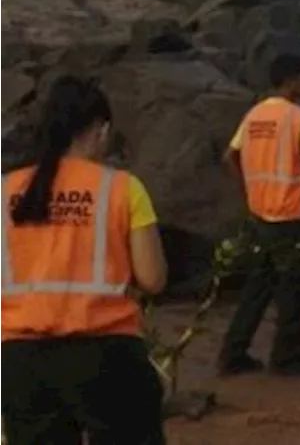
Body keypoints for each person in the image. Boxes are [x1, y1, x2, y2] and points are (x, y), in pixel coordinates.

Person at [0, 75, 169, 444]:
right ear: (101, 129)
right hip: (106, 353)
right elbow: (153, 278)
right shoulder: (123, 188)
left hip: (20, 358)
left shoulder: (5, 190)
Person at [218, 52, 300, 378]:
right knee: (295, 287)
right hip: (289, 214)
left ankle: (234, 351)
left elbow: (228, 156)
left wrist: (248, 190)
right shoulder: (297, 116)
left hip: (260, 212)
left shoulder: (254, 115)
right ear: (290, 81)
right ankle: (287, 358)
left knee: (258, 285)